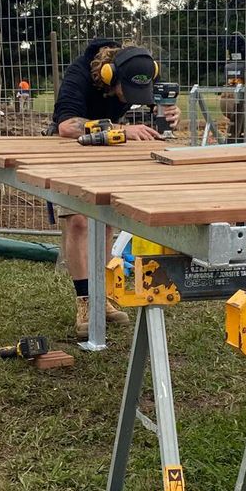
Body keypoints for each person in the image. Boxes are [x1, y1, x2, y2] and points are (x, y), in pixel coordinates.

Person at [51, 39, 180, 339]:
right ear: (109, 76)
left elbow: (161, 103)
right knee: (80, 222)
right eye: (128, 92)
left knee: (105, 222)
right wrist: (121, 129)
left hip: (106, 151)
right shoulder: (79, 74)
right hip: (66, 150)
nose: (132, 98)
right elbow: (66, 126)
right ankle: (85, 299)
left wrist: (169, 112)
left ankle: (103, 295)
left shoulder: (142, 70)